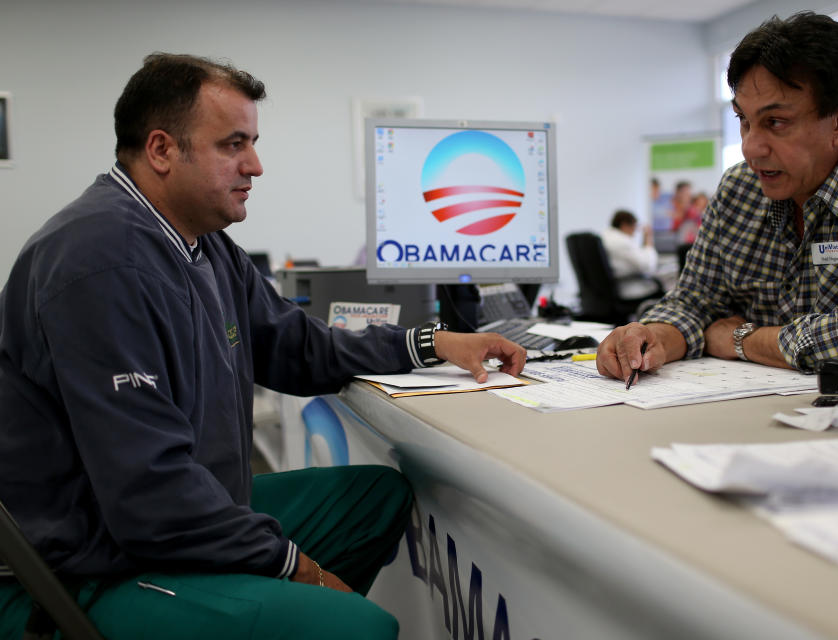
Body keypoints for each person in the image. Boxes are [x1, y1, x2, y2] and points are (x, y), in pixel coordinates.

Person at [0, 53, 526, 640]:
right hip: (88, 564)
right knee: (357, 627)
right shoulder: (99, 262)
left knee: (375, 498)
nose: (255, 165)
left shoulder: (203, 245)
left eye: (252, 142)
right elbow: (148, 492)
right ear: (161, 150)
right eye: (233, 144)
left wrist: (431, 342)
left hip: (169, 517)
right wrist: (298, 569)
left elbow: (300, 347)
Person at [598, 12, 838, 384]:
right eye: (744, 120)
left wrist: (740, 339)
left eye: (776, 123)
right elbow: (693, 303)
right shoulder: (740, 187)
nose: (751, 148)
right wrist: (651, 336)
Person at [600, 209, 660, 299]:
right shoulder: (621, 242)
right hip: (628, 290)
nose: (635, 232)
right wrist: (648, 239)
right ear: (624, 225)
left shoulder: (605, 236)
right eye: (634, 227)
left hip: (609, 291)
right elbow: (648, 266)